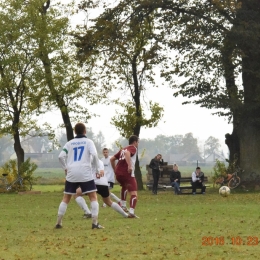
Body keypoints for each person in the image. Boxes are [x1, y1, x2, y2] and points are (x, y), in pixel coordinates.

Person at [55, 122, 104, 229]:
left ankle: (58, 223)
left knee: (66, 198)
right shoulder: (89, 142)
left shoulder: (69, 143)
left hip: (72, 172)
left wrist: (65, 168)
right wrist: (97, 169)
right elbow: (94, 155)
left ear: (75, 132)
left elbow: (60, 157)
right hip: (85, 172)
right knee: (93, 196)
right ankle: (95, 223)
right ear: (85, 131)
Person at [110, 135, 139, 218]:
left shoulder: (123, 149)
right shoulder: (133, 148)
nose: (138, 144)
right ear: (134, 142)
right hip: (127, 173)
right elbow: (127, 153)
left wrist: (115, 170)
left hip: (119, 173)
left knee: (124, 186)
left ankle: (123, 205)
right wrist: (129, 166)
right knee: (134, 193)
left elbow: (112, 159)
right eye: (138, 142)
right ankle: (132, 212)